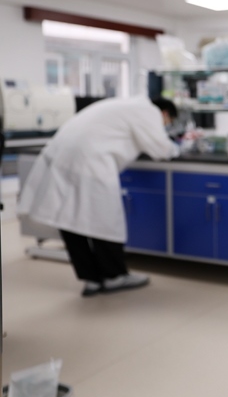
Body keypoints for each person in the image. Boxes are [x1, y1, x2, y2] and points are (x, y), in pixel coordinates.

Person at [18, 96, 179, 297]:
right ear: (165, 113)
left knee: (69, 221)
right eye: (168, 122)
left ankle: (91, 279)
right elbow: (161, 149)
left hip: (62, 156)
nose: (165, 125)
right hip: (90, 162)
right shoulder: (149, 111)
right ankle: (114, 276)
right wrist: (177, 147)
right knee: (105, 221)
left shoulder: (122, 104)